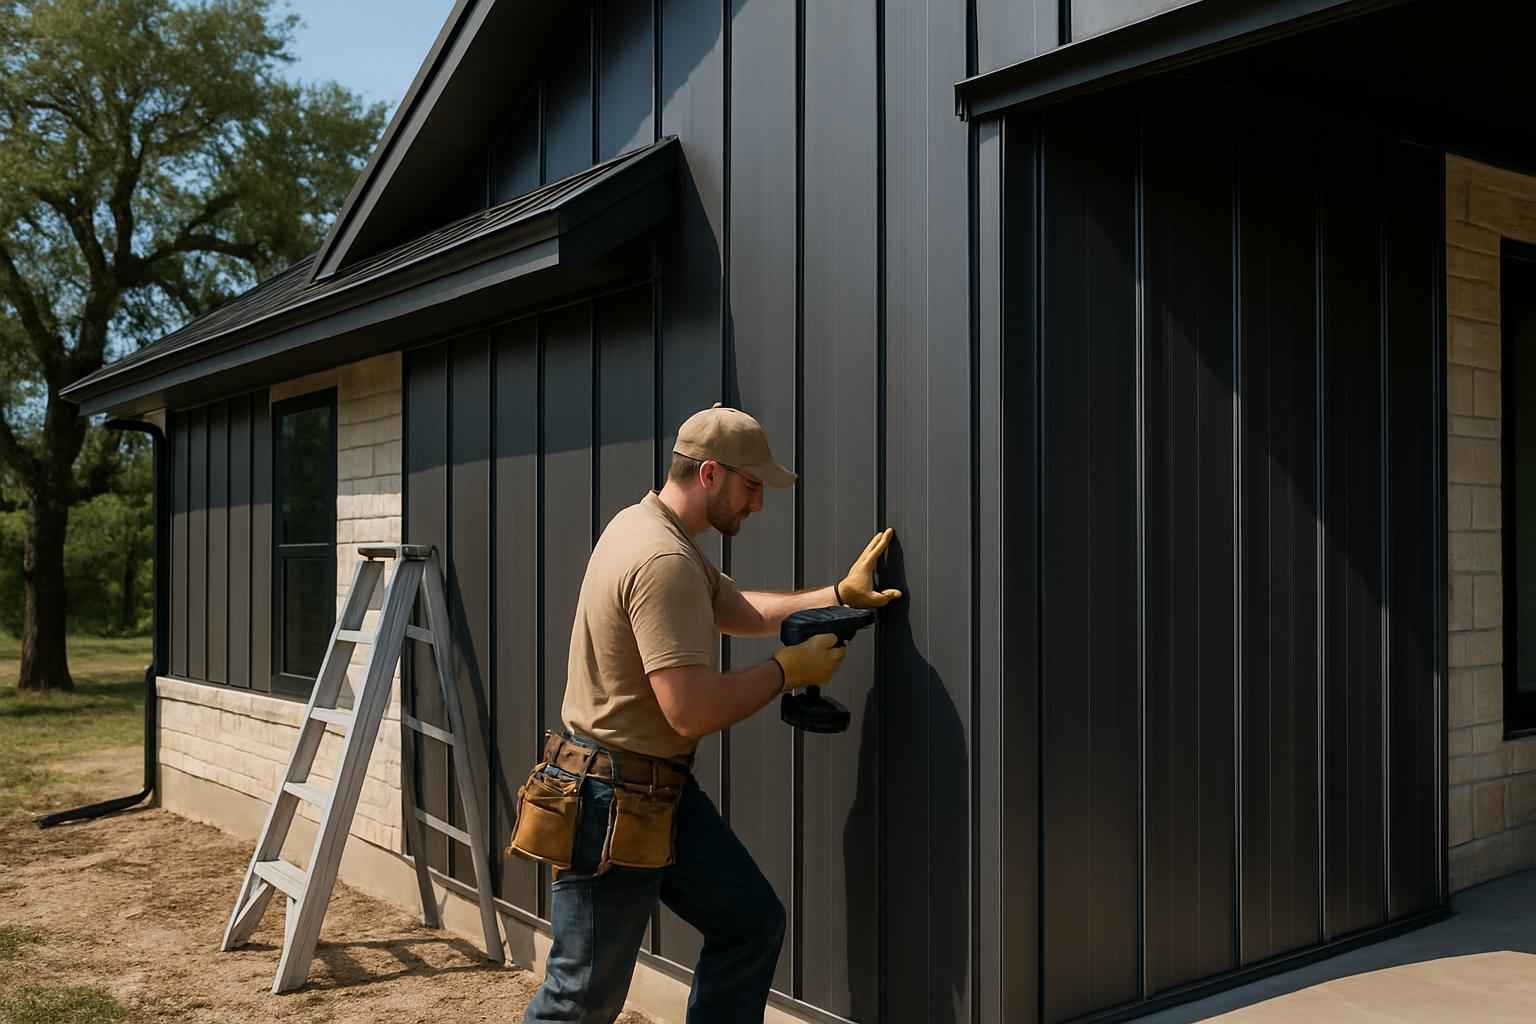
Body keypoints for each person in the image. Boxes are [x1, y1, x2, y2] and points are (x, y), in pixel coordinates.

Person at [521, 404, 900, 1024]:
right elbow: (688, 711)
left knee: (750, 922)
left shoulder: (651, 530)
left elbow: (736, 608)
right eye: (752, 487)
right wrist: (786, 672)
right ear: (710, 474)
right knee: (578, 1000)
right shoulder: (662, 560)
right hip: (612, 800)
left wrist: (837, 595)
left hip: (656, 792)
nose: (758, 504)